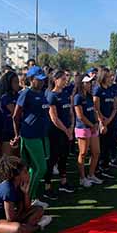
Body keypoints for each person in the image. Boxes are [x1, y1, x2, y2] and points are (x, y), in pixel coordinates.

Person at [0, 156, 51, 233]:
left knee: (39, 209)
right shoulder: (8, 189)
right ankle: (38, 226)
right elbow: (11, 219)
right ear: (17, 176)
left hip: (9, 217)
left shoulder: (18, 184)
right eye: (25, 172)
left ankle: (24, 229)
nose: (28, 174)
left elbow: (27, 207)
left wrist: (25, 193)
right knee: (17, 228)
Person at [11, 66, 50, 209]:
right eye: (38, 80)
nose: (41, 82)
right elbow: (16, 116)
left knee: (34, 168)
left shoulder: (43, 93)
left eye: (42, 79)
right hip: (30, 135)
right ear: (31, 79)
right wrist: (17, 134)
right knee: (41, 168)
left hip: (42, 135)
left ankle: (31, 197)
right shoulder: (26, 94)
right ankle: (30, 198)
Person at [43, 70, 75, 200]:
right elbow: (54, 118)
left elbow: (70, 112)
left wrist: (71, 127)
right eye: (62, 78)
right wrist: (66, 131)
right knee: (52, 160)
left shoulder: (66, 93)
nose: (65, 80)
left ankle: (63, 182)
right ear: (55, 80)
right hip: (56, 133)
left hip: (67, 132)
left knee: (64, 157)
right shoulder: (52, 96)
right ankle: (47, 186)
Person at [73, 75, 103, 187]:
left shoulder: (90, 96)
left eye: (90, 82)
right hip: (83, 128)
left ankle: (91, 175)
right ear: (81, 84)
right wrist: (92, 125)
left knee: (96, 152)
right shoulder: (77, 97)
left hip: (92, 127)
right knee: (83, 153)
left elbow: (94, 111)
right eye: (87, 83)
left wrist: (96, 122)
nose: (89, 84)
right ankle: (82, 178)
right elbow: (80, 116)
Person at [92, 67, 117, 179]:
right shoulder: (98, 90)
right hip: (101, 123)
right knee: (100, 147)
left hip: (110, 121)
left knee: (108, 145)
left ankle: (106, 167)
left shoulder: (111, 89)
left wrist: (109, 120)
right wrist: (102, 122)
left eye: (110, 76)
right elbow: (96, 108)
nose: (110, 78)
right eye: (107, 76)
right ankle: (97, 169)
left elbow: (114, 108)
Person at [0, 70, 21, 157]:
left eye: (18, 82)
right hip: (7, 129)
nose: (17, 84)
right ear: (9, 83)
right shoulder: (5, 97)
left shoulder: (19, 95)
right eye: (15, 82)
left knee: (18, 158)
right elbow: (15, 111)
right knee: (8, 159)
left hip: (18, 129)